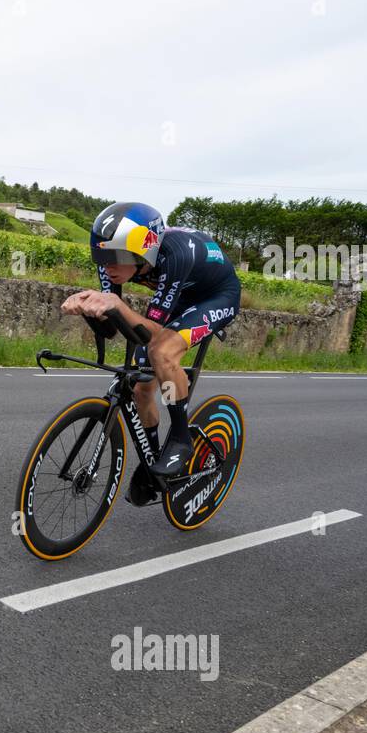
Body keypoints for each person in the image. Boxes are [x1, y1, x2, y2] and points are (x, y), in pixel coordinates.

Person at [60, 202, 242, 506]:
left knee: (162, 352)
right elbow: (111, 330)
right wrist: (88, 308)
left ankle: (182, 439)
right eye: (100, 258)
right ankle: (153, 463)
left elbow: (155, 333)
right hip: (179, 296)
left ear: (144, 252)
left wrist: (116, 306)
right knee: (141, 385)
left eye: (115, 258)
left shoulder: (175, 254)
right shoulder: (112, 262)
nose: (107, 267)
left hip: (216, 295)